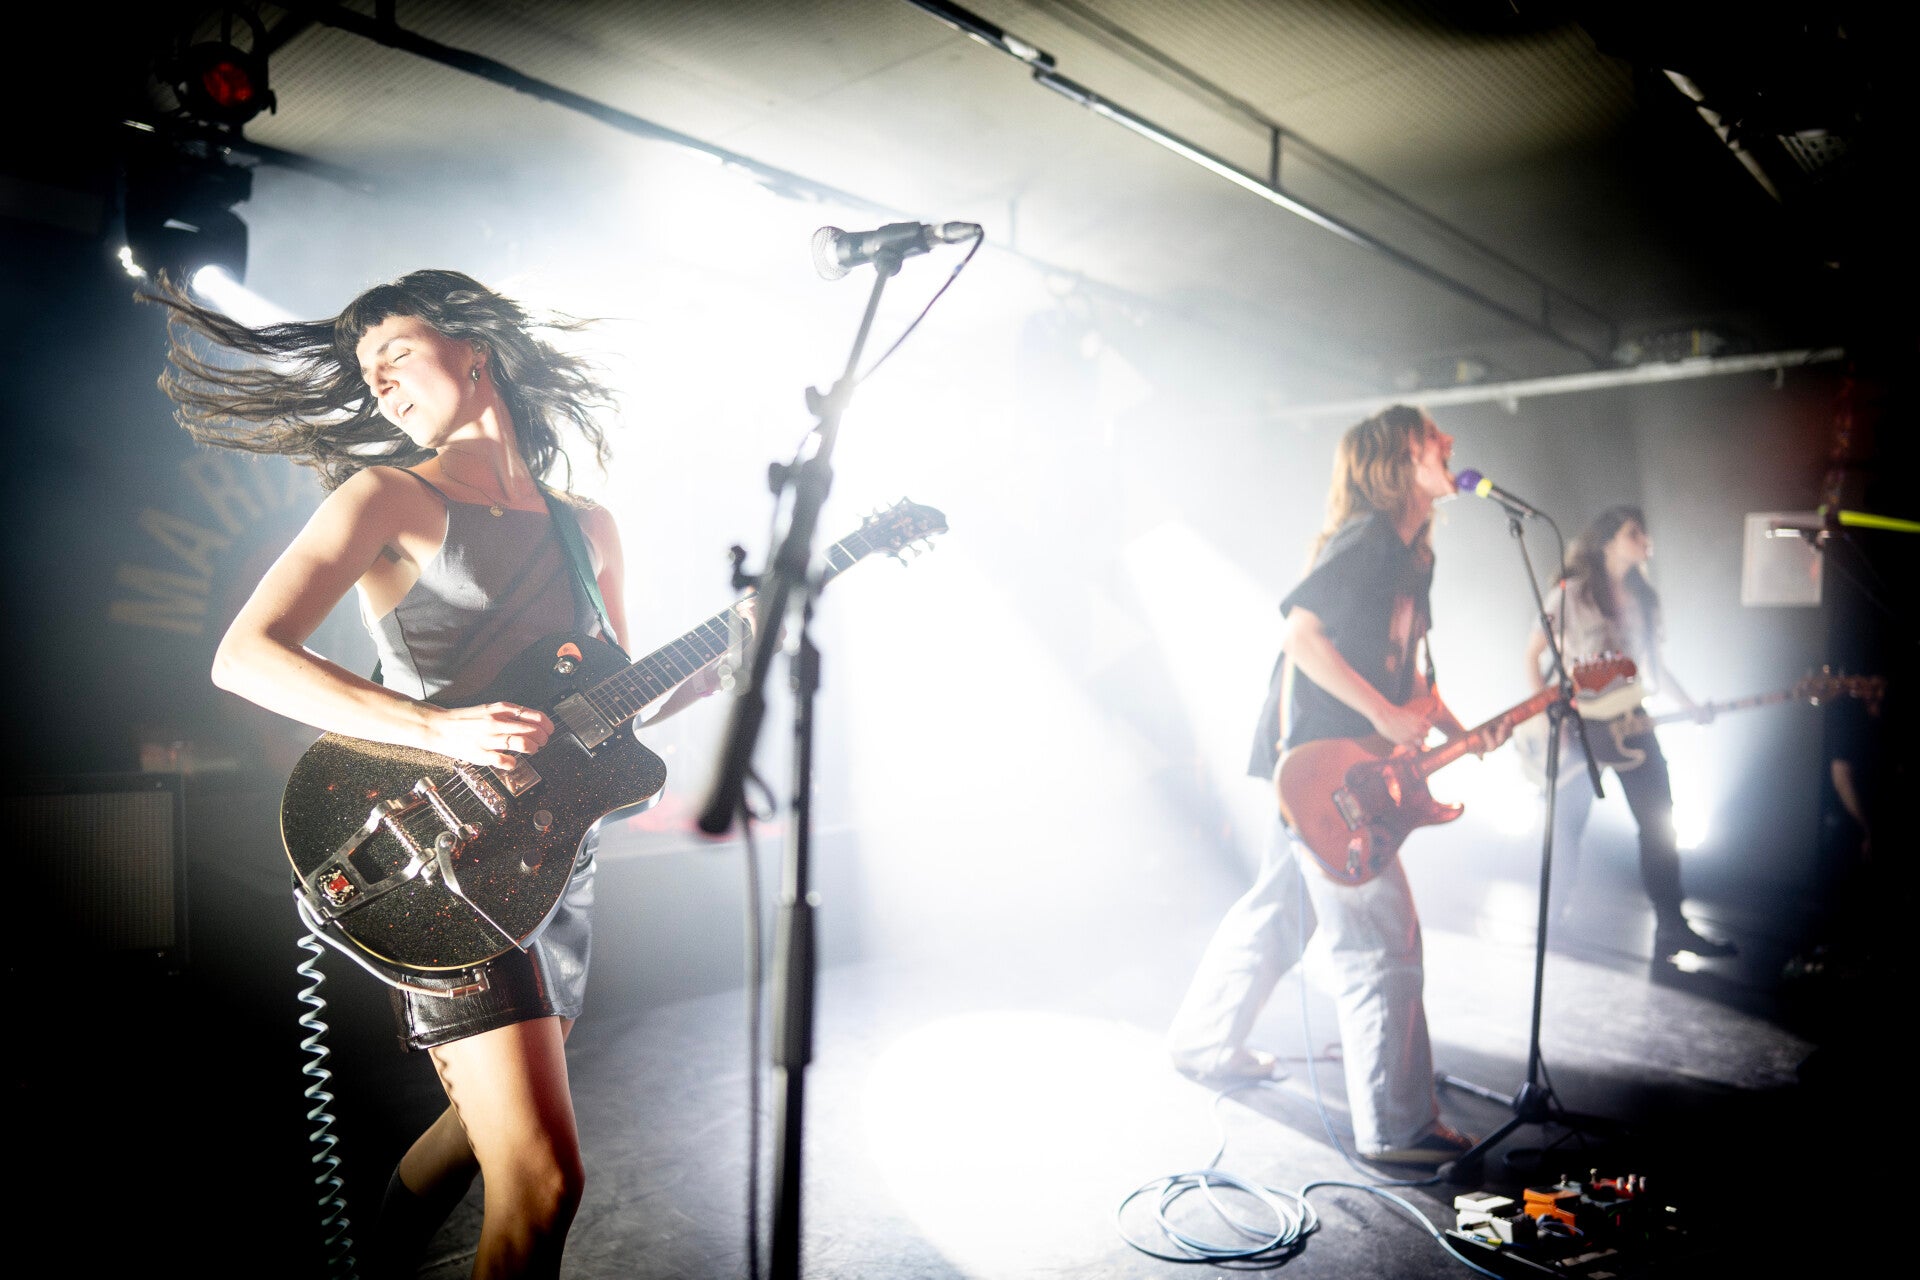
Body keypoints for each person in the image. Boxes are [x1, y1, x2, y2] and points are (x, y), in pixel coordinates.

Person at [148, 269, 732, 1278]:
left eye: (396, 354)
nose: (379, 384)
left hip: (551, 868)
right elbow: (244, 657)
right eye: (367, 373)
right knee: (542, 1183)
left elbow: (610, 711)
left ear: (475, 352)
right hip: (441, 861)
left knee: (476, 1127)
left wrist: (715, 669)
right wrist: (439, 727)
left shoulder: (587, 526)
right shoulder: (389, 496)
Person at [1166, 404, 1504, 1167]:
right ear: (1398, 456)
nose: (1449, 443)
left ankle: (1202, 1042)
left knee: (1279, 912)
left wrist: (1460, 731)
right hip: (1326, 767)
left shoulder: (1414, 555)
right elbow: (1301, 634)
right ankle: (1397, 1128)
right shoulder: (1368, 538)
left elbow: (1409, 670)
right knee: (1381, 939)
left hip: (1334, 763)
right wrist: (1384, 716)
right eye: (1433, 437)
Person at [1521, 505, 1735, 963]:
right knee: (1565, 828)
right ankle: (1550, 919)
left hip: (1630, 721)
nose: (1644, 540)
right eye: (1633, 532)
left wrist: (1691, 706)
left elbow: (1655, 667)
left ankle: (1671, 926)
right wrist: (1543, 719)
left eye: (1644, 532)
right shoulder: (1571, 594)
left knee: (1660, 821)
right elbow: (1531, 655)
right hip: (1579, 726)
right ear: (1608, 542)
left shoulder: (1645, 600)